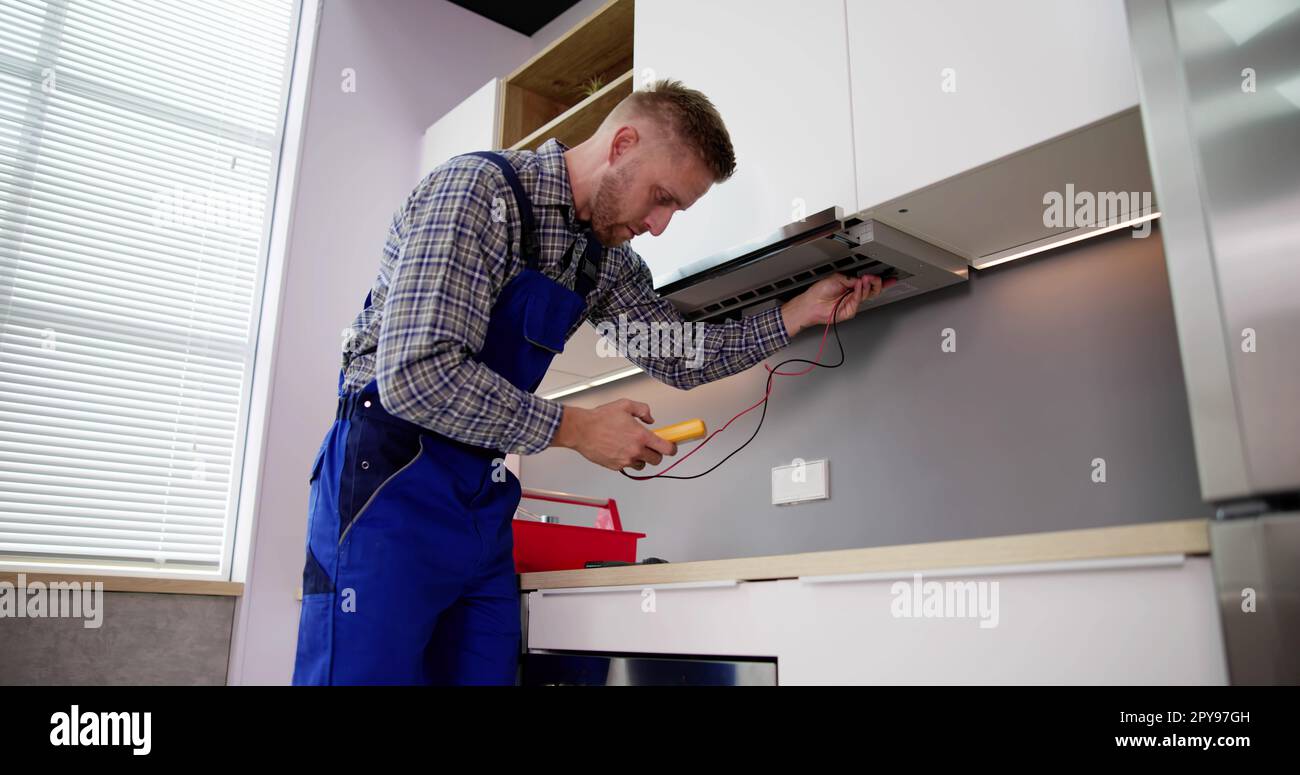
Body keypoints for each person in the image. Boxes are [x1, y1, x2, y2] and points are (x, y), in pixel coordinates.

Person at [292, 79, 891, 685]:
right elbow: (417, 374)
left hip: (479, 502)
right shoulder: (475, 193)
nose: (659, 226)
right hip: (387, 486)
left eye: (675, 210)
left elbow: (681, 354)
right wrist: (577, 428)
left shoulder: (601, 260)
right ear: (622, 143)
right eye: (661, 197)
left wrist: (796, 314)